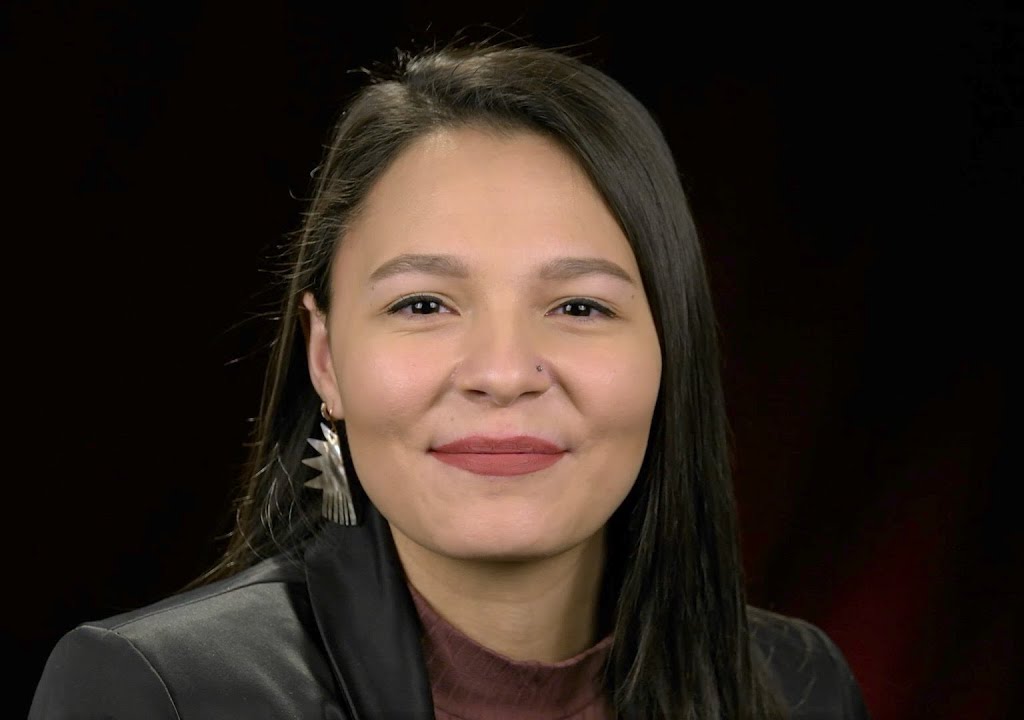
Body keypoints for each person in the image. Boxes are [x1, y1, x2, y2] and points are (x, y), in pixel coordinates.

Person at [29, 41, 869, 719]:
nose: (502, 374)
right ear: (326, 359)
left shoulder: (796, 687)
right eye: (424, 303)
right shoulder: (160, 693)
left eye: (579, 307)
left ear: (671, 352)